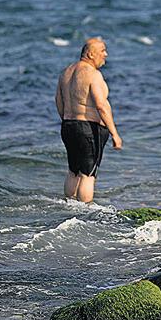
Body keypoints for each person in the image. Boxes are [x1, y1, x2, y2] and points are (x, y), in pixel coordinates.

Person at [55, 38, 122, 203]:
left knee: (73, 171)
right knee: (88, 174)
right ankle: (84, 214)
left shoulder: (66, 72)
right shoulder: (93, 74)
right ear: (91, 54)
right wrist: (115, 133)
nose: (105, 55)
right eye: (102, 51)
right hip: (88, 128)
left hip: (68, 125)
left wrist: (69, 120)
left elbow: (58, 100)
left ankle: (69, 206)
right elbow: (101, 105)